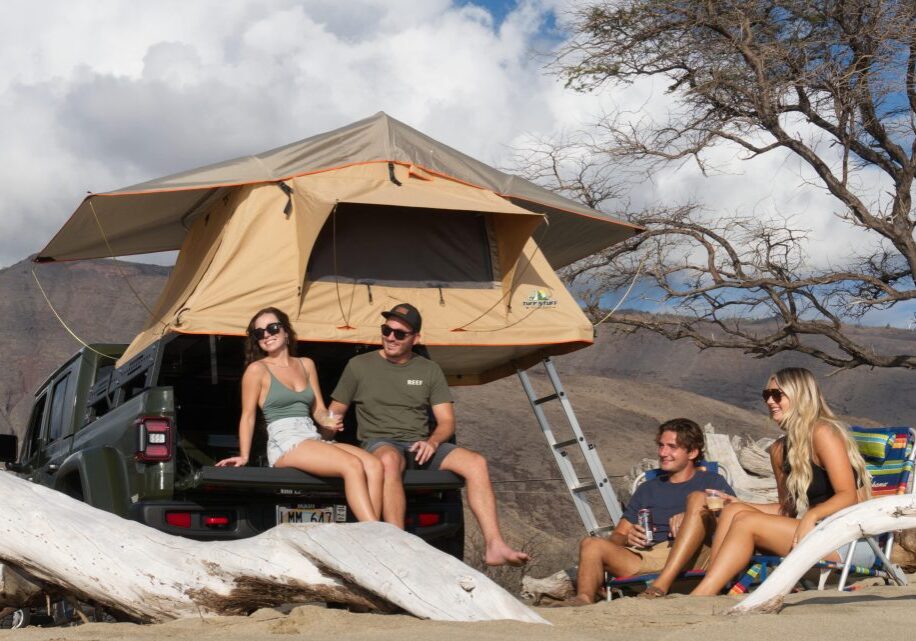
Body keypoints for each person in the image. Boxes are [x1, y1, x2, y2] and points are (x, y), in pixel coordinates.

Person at [327, 303, 528, 566]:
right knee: (388, 460)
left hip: (420, 444)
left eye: (400, 333)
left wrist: (432, 442)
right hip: (380, 442)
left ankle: (495, 545)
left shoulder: (429, 370)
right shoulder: (358, 366)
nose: (390, 337)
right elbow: (335, 411)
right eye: (386, 330)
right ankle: (397, 546)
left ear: (415, 338)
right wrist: (327, 428)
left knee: (476, 463)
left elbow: (446, 421)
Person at [690, 367, 873, 596]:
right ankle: (713, 589)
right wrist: (735, 503)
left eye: (777, 395)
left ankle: (701, 596)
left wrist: (811, 516)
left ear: (800, 397)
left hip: (848, 540)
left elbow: (848, 495)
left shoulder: (823, 432)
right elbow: (785, 509)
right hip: (814, 534)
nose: (770, 401)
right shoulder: (778, 449)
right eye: (766, 395)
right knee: (734, 511)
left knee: (746, 522)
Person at [216, 307, 382, 522]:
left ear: (286, 331)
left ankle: (375, 532)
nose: (266, 335)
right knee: (352, 465)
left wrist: (329, 420)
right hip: (285, 440)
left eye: (272, 328)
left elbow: (319, 410)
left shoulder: (306, 364)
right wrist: (244, 456)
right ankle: (374, 533)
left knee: (374, 465)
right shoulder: (257, 370)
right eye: (259, 333)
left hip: (310, 434)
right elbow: (248, 416)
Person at [553, 418, 734, 606]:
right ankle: (584, 598)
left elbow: (732, 521)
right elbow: (618, 535)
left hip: (696, 555)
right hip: (649, 556)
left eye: (672, 447)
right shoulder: (648, 489)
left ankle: (661, 585)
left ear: (693, 452)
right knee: (590, 543)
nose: (663, 453)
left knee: (699, 499)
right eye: (661, 446)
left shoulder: (712, 481)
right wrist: (627, 537)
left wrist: (695, 515)